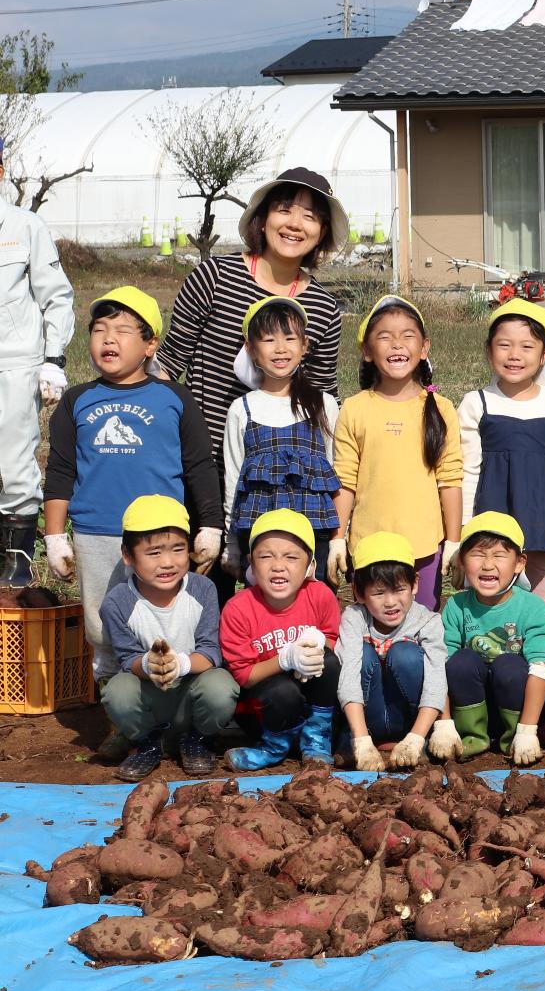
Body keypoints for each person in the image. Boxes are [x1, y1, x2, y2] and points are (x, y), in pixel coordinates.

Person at [155, 167, 348, 597]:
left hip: (284, 479)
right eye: (284, 210)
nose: (295, 224)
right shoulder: (214, 278)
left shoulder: (323, 308)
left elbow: (323, 394)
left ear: (322, 234)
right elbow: (167, 367)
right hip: (203, 465)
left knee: (286, 597)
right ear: (262, 219)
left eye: (311, 217)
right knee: (204, 592)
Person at [42, 287, 223, 677]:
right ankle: (118, 709)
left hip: (161, 537)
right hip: (97, 532)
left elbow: (199, 466)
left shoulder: (175, 397)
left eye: (123, 330)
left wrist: (209, 526)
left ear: (150, 344)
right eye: (99, 330)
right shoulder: (77, 401)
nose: (108, 339)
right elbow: (59, 472)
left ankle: (176, 712)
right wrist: (54, 537)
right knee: (102, 626)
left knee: (167, 622)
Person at [331, 296, 463, 609]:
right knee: (370, 631)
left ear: (424, 347)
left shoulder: (441, 409)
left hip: (425, 548)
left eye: (407, 336)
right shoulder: (355, 408)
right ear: (366, 351)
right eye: (384, 336)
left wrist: (454, 541)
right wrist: (338, 537)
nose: (397, 344)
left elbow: (451, 480)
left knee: (421, 630)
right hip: (369, 547)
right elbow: (345, 479)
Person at [96, 495, 235, 781]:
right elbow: (127, 659)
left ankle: (197, 739)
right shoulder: (117, 602)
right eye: (154, 552)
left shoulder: (203, 590)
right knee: (117, 692)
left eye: (178, 549)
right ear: (127, 555)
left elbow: (210, 650)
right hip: (150, 696)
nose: (168, 562)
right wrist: (149, 665)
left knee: (221, 687)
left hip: (191, 693)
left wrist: (180, 664)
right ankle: (148, 742)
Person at [458, 298, 545, 604]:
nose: (515, 355)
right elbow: (469, 472)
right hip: (491, 527)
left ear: (544, 354)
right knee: (489, 606)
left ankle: (539, 654)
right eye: (504, 345)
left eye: (527, 347)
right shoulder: (477, 402)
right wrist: (463, 533)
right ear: (488, 350)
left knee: (540, 607)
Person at [0, 136, 76, 585]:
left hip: (14, 363)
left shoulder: (24, 227)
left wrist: (53, 358)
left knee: (13, 466)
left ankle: (16, 569)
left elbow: (56, 296)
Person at [221, 296, 339, 579]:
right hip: (260, 535)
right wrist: (231, 544)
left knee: (315, 607)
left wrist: (338, 539)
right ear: (250, 349)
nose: (281, 349)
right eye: (269, 340)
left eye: (289, 338)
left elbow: (336, 470)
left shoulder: (323, 404)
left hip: (315, 530)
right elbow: (233, 479)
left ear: (305, 345)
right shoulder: (242, 409)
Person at [220, 508, 343, 771]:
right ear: (251, 564)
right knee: (282, 691)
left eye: (291, 557)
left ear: (310, 566)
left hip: (309, 694)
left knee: (329, 661)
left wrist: (315, 649)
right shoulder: (238, 608)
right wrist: (287, 659)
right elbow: (244, 675)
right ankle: (273, 747)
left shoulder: (321, 595)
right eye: (266, 556)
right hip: (261, 703)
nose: (278, 566)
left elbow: (331, 638)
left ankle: (316, 739)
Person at [442, 511, 545, 764]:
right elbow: (439, 666)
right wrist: (444, 723)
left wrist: (528, 731)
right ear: (461, 560)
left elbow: (540, 669)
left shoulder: (533, 608)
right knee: (461, 661)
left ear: (519, 562)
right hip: (470, 703)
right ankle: (472, 736)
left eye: (499, 555)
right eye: (478, 554)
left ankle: (513, 737)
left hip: (519, 707)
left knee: (510, 664)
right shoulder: (456, 606)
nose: (487, 564)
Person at [334, 531, 448, 771]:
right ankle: (355, 739)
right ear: (359, 592)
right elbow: (349, 677)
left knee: (405, 653)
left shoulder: (428, 621)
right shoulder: (354, 618)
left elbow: (437, 679)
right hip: (366, 719)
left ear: (415, 584)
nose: (390, 602)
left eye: (399, 590)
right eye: (378, 593)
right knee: (362, 655)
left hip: (409, 720)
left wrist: (416, 737)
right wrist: (361, 739)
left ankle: (417, 740)